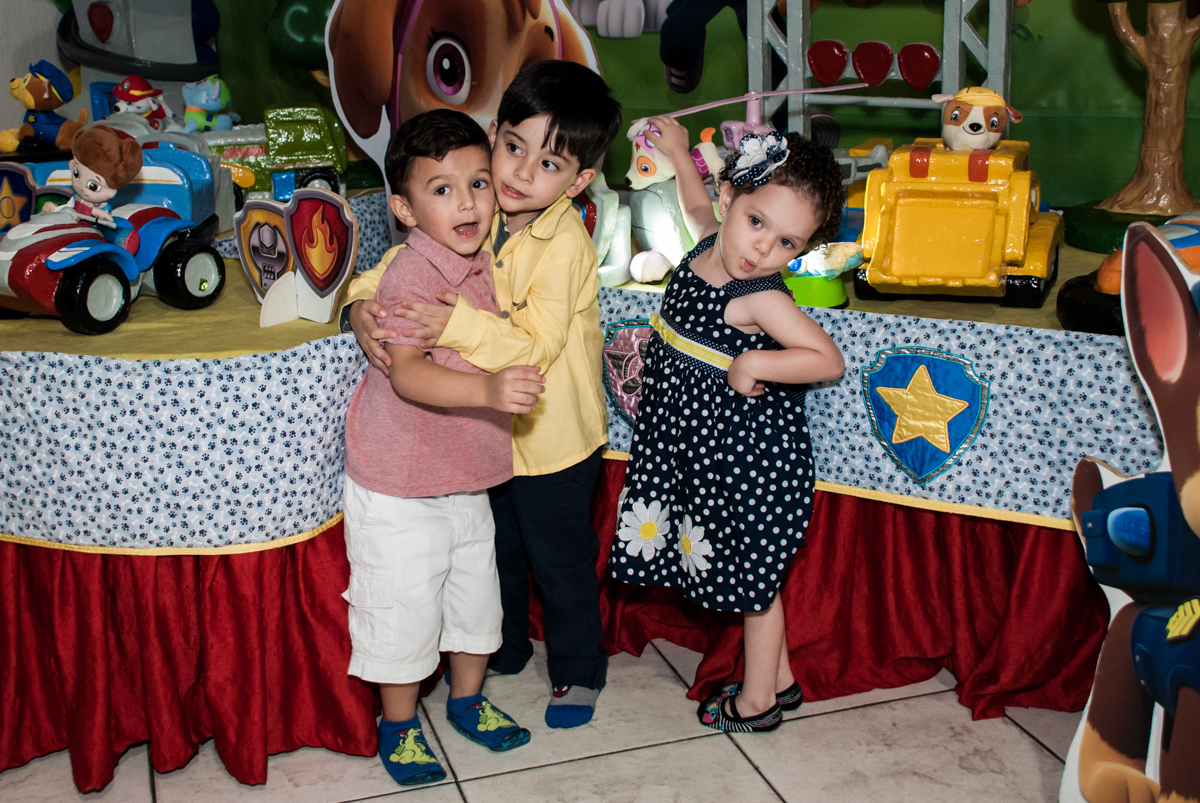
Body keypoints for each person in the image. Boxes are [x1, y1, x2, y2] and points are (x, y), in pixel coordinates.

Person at [341, 60, 622, 729]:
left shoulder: (565, 246)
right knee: (500, 552)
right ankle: (508, 647)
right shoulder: (478, 207)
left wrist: (455, 324)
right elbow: (395, 264)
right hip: (483, 439)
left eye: (549, 164)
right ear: (493, 132)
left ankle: (579, 669)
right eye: (513, 147)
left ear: (580, 180)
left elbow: (538, 344)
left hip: (552, 439)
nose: (520, 173)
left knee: (560, 559)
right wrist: (359, 306)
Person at [610, 116, 846, 733]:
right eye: (757, 222)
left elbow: (826, 358)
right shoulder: (709, 243)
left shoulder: (760, 294)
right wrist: (680, 152)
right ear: (729, 200)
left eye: (789, 242)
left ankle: (757, 703)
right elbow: (691, 200)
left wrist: (754, 361)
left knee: (753, 584)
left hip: (748, 462)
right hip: (703, 448)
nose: (763, 249)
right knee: (753, 572)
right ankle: (783, 681)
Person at [341, 108, 545, 787]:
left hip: (463, 472)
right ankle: (398, 724)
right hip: (401, 483)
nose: (467, 202)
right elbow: (408, 371)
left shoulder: (480, 259)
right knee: (402, 604)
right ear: (402, 206)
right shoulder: (411, 275)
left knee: (473, 599)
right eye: (443, 188)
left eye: (479, 183)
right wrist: (489, 391)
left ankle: (466, 699)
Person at [43, 125, 142, 225]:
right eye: (76, 174)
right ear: (72, 165)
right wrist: (56, 210)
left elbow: (103, 221)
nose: (80, 186)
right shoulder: (76, 198)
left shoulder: (102, 207)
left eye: (93, 186)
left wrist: (94, 212)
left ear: (110, 192)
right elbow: (69, 208)